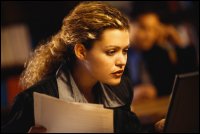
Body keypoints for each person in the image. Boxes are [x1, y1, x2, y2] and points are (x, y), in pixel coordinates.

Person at [1, 2, 143, 133]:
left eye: (124, 51)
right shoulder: (35, 100)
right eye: (111, 52)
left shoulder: (122, 88)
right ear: (81, 52)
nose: (122, 61)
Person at [127, 12, 197, 102]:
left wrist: (178, 44)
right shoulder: (121, 53)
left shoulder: (160, 52)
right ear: (130, 26)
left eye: (154, 29)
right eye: (143, 28)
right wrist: (131, 95)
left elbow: (184, 84)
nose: (149, 35)